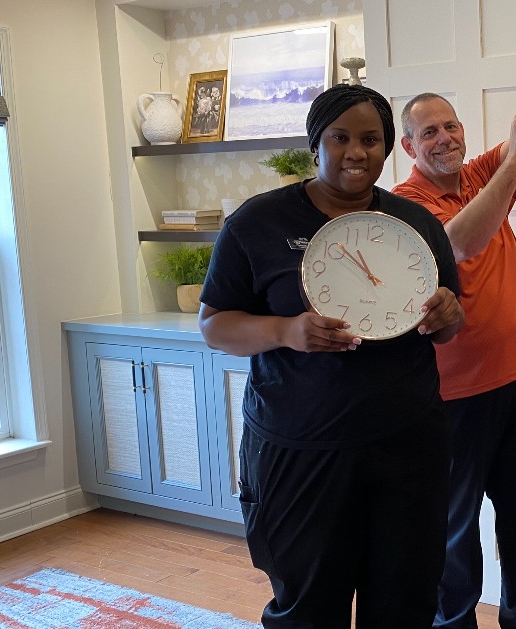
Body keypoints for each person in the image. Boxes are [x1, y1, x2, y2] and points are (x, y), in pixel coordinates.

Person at [198, 84, 465, 628]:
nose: (356, 152)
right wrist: (286, 330)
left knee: (406, 600)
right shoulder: (258, 224)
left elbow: (444, 326)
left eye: (371, 139)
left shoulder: (417, 227)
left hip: (409, 448)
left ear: (389, 148)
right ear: (315, 143)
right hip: (301, 451)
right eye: (340, 137)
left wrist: (448, 316)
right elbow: (215, 325)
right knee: (307, 605)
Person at [392, 59, 516, 629]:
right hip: (450, 401)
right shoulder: (406, 206)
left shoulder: (481, 175)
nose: (444, 139)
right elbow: (461, 243)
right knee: (455, 536)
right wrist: (508, 167)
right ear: (410, 147)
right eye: (428, 132)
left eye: (450, 126)